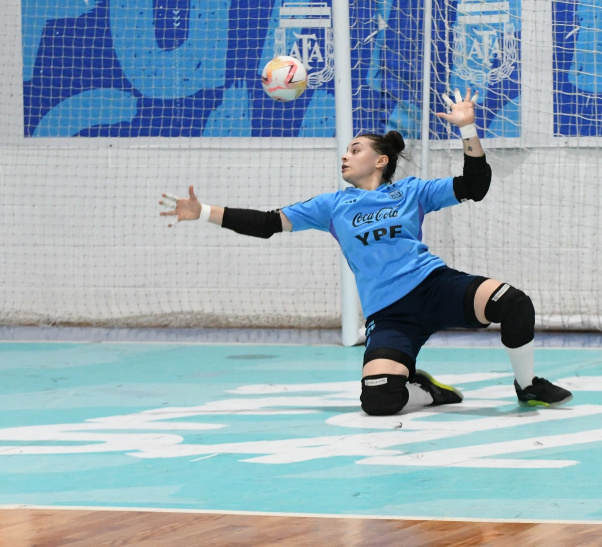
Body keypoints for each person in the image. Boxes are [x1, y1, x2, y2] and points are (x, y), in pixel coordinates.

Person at [159, 89, 572, 416]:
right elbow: (268, 224)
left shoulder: (412, 191)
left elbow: (475, 186)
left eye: (355, 149)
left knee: (514, 304)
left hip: (433, 286)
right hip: (389, 313)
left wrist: (468, 130)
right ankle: (426, 390)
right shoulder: (332, 206)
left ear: (380, 160)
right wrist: (204, 212)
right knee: (378, 401)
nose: (346, 154)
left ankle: (527, 386)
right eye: (346, 150)